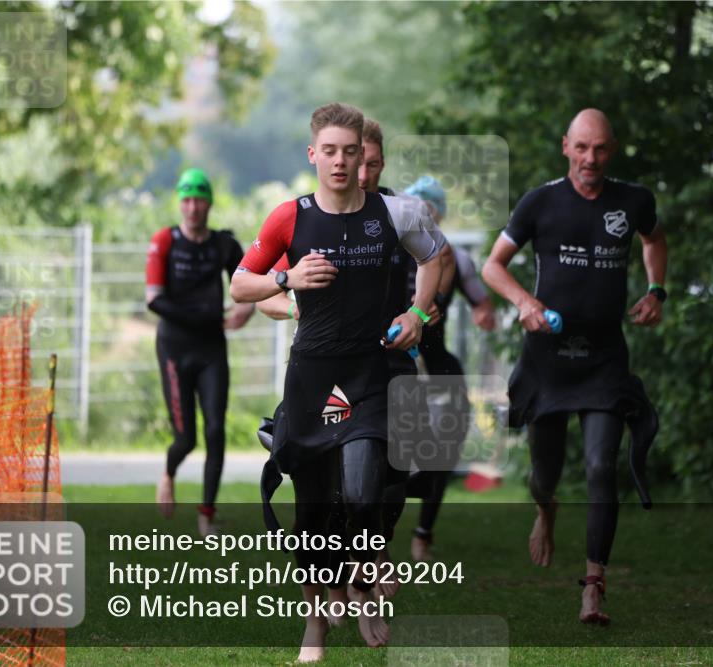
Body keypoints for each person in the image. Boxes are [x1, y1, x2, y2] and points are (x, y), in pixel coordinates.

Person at [230, 103, 445, 661]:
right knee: (309, 519)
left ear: (363, 155)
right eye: (330, 151)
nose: (341, 162)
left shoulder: (395, 214)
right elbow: (240, 285)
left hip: (368, 376)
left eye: (351, 152)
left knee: (362, 495)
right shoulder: (289, 218)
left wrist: (417, 313)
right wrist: (288, 278)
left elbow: (435, 256)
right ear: (313, 155)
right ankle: (316, 621)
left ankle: (364, 585)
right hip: (311, 379)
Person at [481, 108, 667, 625]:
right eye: (582, 147)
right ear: (566, 146)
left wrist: (657, 290)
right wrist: (524, 302)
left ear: (613, 150)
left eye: (600, 148)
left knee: (600, 467)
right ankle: (546, 509)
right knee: (545, 476)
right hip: (548, 361)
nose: (591, 158)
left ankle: (593, 586)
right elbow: (493, 265)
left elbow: (654, 239)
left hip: (605, 359)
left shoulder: (633, 201)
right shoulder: (540, 202)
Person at [146, 168, 255, 537]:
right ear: (181, 203)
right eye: (187, 200)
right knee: (186, 439)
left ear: (209, 204)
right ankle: (168, 473)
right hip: (174, 351)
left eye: (199, 200)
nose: (193, 207)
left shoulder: (223, 245)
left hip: (211, 350)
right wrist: (204, 316)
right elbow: (154, 300)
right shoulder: (165, 241)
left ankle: (207, 515)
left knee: (216, 430)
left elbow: (250, 280)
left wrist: (245, 310)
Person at [397, 175, 496, 562]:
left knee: (442, 452)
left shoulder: (455, 257)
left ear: (438, 214)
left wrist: (485, 313)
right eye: (416, 207)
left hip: (437, 365)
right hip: (394, 364)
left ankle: (423, 532)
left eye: (430, 209)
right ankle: (374, 534)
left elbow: (482, 302)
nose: (422, 214)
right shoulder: (390, 249)